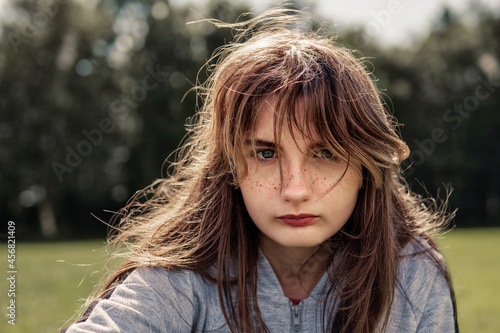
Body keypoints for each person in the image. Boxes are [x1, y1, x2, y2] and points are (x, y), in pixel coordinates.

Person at [64, 8, 458, 333]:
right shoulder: (184, 272)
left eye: (324, 152)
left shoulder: (412, 276)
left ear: (366, 166)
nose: (296, 189)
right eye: (266, 154)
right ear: (231, 165)